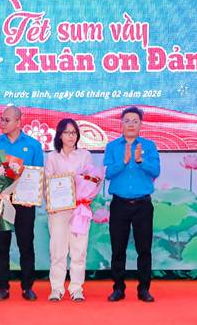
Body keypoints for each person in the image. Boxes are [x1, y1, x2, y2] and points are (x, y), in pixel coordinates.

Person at [0, 106, 44, 301]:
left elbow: (38, 174)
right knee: (1, 245)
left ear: (19, 122)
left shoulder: (33, 145)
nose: (2, 123)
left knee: (26, 245)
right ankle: (3, 287)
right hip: (1, 202)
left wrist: (32, 196)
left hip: (24, 204)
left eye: (6, 120)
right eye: (1, 119)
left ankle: (27, 287)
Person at [103, 106, 160, 303]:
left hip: (143, 206)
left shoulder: (149, 146)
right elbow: (108, 173)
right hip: (119, 205)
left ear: (140, 124)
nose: (131, 124)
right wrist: (124, 161)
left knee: (144, 250)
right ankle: (118, 288)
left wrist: (140, 160)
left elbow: (156, 171)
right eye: (127, 121)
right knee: (117, 249)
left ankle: (144, 289)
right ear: (121, 124)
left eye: (135, 121)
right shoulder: (112, 147)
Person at [44, 118, 103, 302]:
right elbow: (47, 183)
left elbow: (92, 180)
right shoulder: (52, 157)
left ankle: (77, 288)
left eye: (74, 132)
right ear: (60, 135)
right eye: (67, 132)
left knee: (79, 251)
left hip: (80, 210)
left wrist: (86, 197)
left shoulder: (85, 155)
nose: (71, 136)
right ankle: (57, 288)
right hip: (59, 212)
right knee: (58, 251)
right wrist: (51, 201)